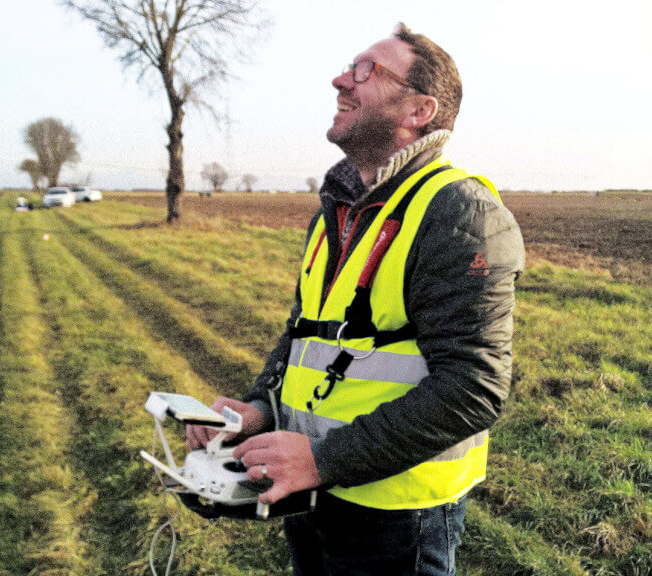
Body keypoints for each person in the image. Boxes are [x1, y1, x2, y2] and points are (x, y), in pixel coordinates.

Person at [186, 23, 524, 576]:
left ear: (419, 109)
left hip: (398, 513)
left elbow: (474, 387)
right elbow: (305, 337)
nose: (341, 80)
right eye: (350, 66)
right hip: (312, 494)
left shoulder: (460, 213)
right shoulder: (335, 213)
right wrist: (257, 410)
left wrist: (325, 458)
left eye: (367, 70)